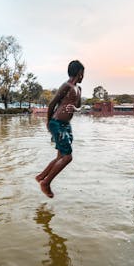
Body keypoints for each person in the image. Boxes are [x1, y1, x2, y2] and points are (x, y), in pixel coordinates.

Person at [35, 60, 84, 198]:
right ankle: (46, 183)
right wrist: (48, 122)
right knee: (67, 157)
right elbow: (52, 104)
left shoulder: (78, 90)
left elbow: (78, 107)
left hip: (66, 125)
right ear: (80, 73)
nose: (83, 76)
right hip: (57, 123)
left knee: (61, 156)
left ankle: (41, 176)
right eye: (82, 73)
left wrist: (75, 108)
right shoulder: (66, 86)